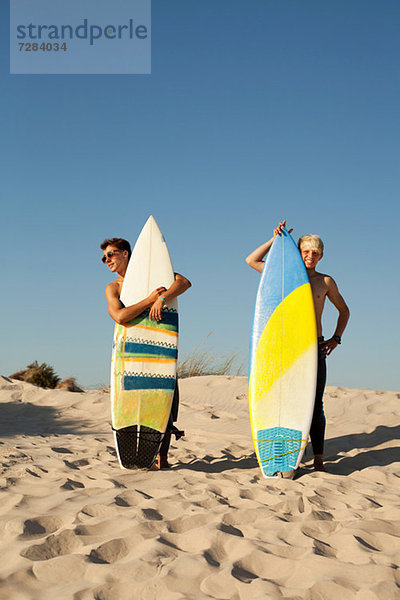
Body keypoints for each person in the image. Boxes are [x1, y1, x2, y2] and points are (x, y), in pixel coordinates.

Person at [245, 221, 350, 472]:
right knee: (284, 398)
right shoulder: (281, 278)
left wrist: (336, 338)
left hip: (313, 348)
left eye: (314, 253)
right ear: (298, 252)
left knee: (315, 403)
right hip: (283, 347)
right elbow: (251, 260)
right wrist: (275, 241)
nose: (310, 256)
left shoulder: (325, 282)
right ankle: (289, 452)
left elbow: (344, 310)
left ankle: (318, 458)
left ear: (321, 255)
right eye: (305, 251)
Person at [101, 237, 191, 469]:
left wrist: (163, 297)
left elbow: (184, 282)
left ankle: (162, 457)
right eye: (104, 257)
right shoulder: (113, 287)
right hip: (130, 353)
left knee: (163, 402)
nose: (107, 260)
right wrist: (149, 300)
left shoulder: (155, 277)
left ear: (126, 254)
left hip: (160, 350)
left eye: (111, 254)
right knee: (136, 402)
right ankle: (141, 456)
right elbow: (120, 316)